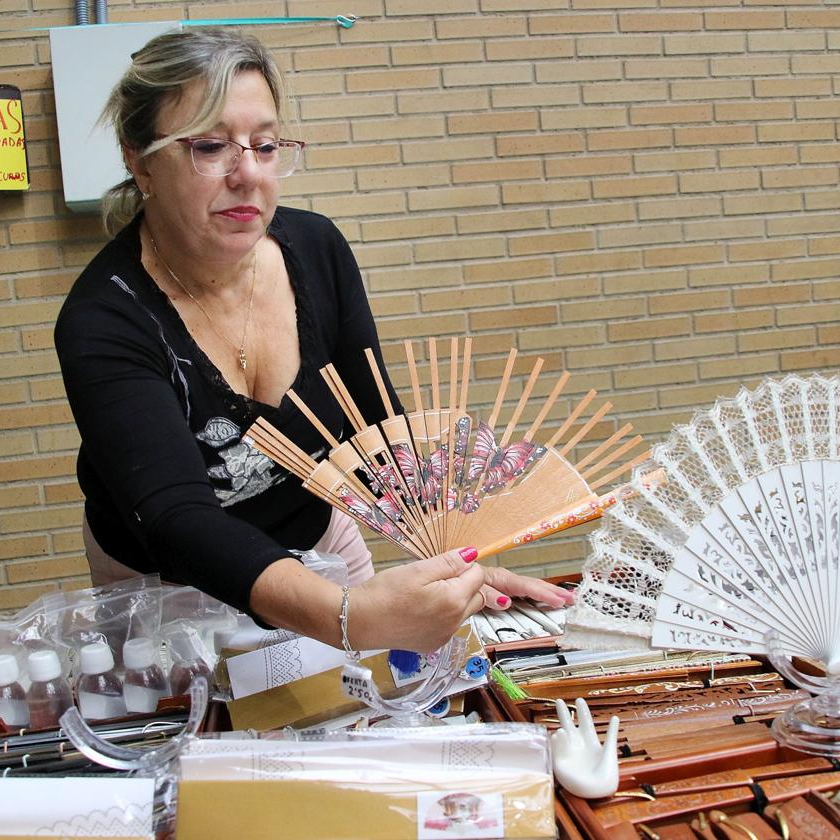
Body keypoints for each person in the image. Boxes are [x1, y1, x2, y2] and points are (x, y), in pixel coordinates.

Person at [54, 28, 572, 656]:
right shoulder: (105, 318)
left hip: (320, 550)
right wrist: (347, 617)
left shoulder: (318, 249)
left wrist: (456, 558)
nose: (248, 175)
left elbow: (374, 424)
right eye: (211, 146)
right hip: (165, 584)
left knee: (362, 708)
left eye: (267, 145)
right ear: (140, 160)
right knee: (212, 740)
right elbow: (176, 519)